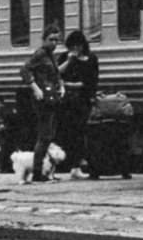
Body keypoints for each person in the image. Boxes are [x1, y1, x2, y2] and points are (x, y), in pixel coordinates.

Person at [56, 30, 100, 179]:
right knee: (70, 134)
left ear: (83, 45)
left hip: (84, 101)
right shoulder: (65, 57)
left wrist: (72, 85)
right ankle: (74, 166)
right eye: (71, 46)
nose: (75, 49)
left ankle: (81, 164)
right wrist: (69, 61)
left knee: (82, 132)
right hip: (67, 102)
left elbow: (92, 81)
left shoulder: (92, 59)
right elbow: (56, 74)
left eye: (77, 45)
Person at [21, 38, 63, 182]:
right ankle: (37, 173)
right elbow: (24, 70)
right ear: (44, 39)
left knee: (49, 136)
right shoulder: (40, 54)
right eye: (51, 39)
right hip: (43, 99)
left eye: (56, 40)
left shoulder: (51, 56)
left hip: (51, 98)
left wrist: (61, 86)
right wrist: (35, 88)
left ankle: (46, 172)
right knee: (44, 136)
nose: (54, 43)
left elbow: (56, 74)